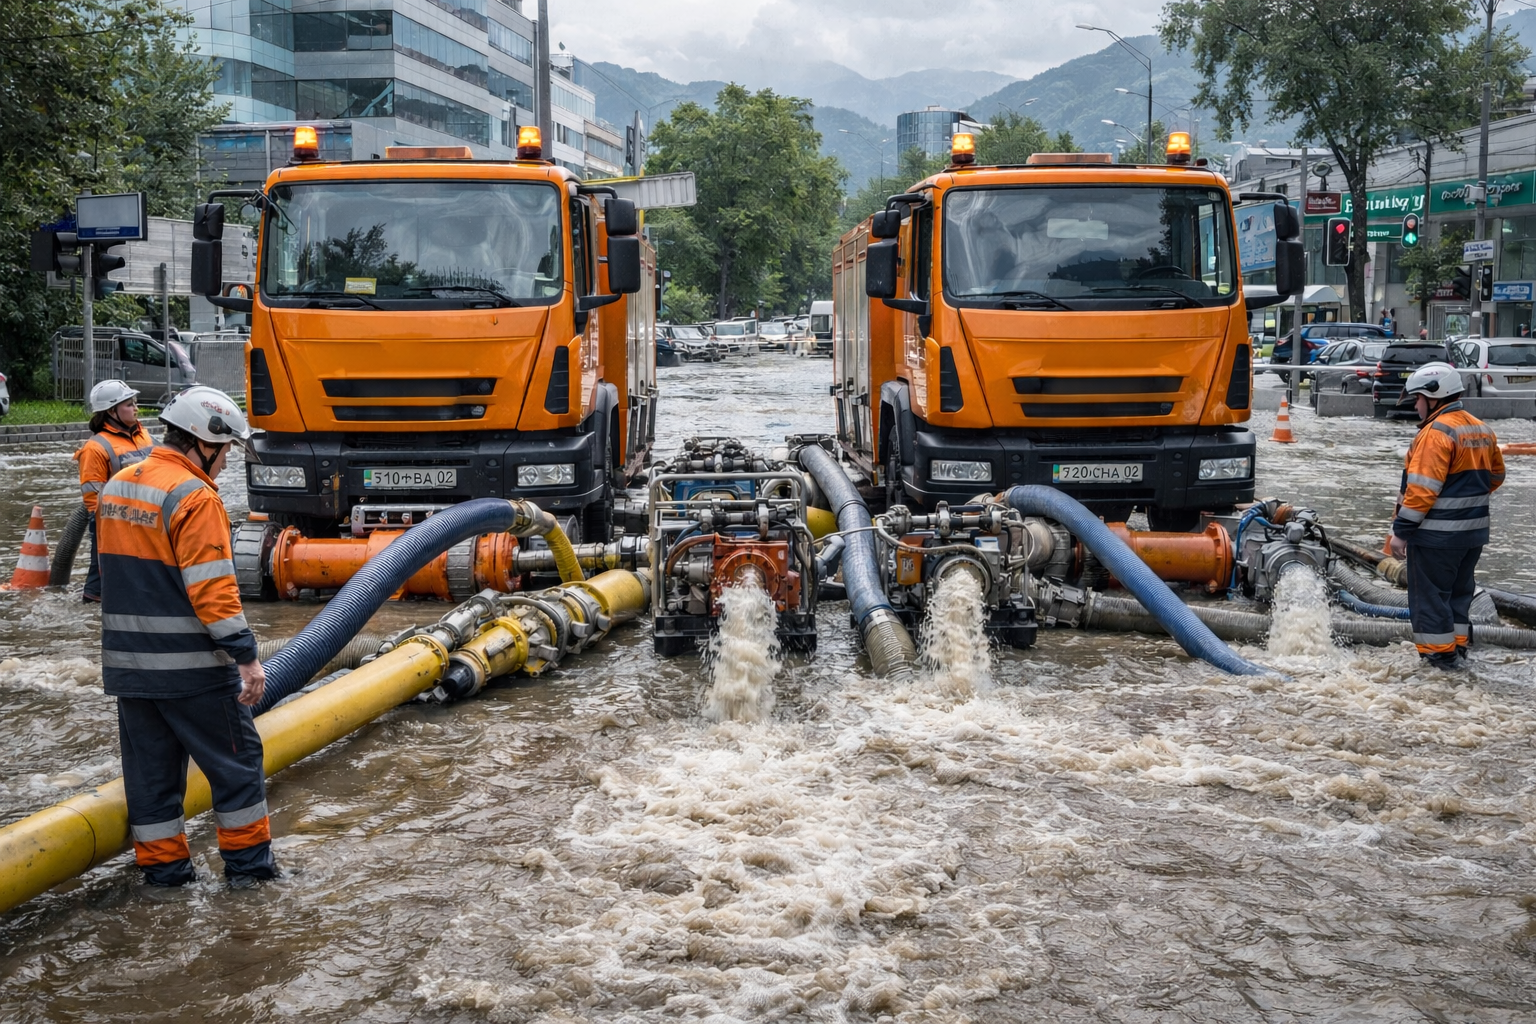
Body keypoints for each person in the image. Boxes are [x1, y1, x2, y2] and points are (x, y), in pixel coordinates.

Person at [97, 386, 279, 887]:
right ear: (206, 441)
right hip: (192, 671)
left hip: (129, 670)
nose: (222, 465)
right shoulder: (194, 496)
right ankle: (251, 876)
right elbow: (214, 593)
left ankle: (165, 878)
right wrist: (246, 658)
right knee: (237, 769)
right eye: (225, 453)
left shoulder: (118, 486)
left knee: (152, 779)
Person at [1388, 363, 1505, 670]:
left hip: (1435, 538)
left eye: (1417, 398)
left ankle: (1440, 665)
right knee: (1458, 597)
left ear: (1434, 396)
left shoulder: (1435, 434)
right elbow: (1496, 477)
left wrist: (1400, 533)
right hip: (1472, 537)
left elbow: (1422, 492)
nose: (1415, 405)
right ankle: (1459, 656)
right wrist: (1463, 502)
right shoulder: (1481, 429)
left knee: (1430, 601)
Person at [75, 380, 154, 602]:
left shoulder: (144, 435)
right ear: (112, 410)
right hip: (112, 521)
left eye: (135, 403)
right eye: (130, 404)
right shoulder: (95, 448)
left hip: (148, 514)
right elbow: (93, 496)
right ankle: (93, 608)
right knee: (102, 577)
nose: (136, 408)